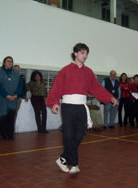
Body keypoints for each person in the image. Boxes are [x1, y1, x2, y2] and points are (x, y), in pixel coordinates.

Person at [46, 43, 118, 174]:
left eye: (86, 53)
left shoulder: (88, 72)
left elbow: (96, 88)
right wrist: (54, 103)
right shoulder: (65, 70)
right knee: (68, 135)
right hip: (68, 107)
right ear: (75, 53)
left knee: (79, 135)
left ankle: (62, 158)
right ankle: (74, 164)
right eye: (83, 53)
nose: (85, 56)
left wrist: (110, 97)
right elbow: (57, 87)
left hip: (82, 108)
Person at [0, 56, 23, 140]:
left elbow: (20, 86)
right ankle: (4, 135)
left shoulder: (16, 74)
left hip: (13, 99)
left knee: (11, 118)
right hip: (3, 99)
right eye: (8, 61)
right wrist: (6, 95)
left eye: (11, 61)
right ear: (4, 63)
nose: (10, 63)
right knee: (3, 118)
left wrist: (16, 95)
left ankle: (10, 134)